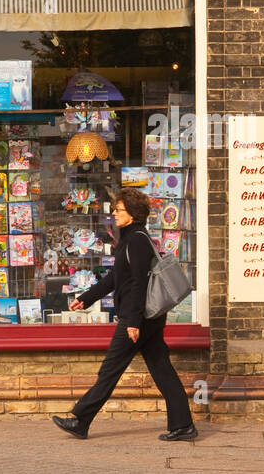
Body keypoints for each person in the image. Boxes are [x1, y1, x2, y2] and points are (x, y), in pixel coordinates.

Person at [51, 188, 197, 443]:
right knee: (162, 369)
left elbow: (140, 283)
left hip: (138, 318)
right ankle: (183, 425)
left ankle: (80, 419)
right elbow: (115, 279)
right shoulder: (130, 239)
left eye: (119, 210)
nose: (115, 214)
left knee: (110, 370)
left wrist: (133, 322)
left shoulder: (137, 240)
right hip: (145, 319)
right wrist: (86, 298)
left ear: (132, 213)